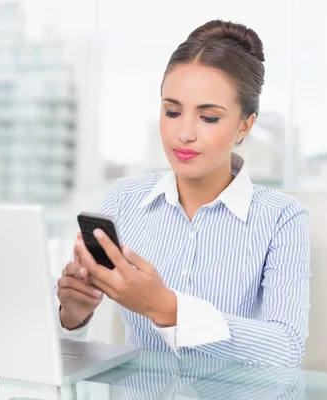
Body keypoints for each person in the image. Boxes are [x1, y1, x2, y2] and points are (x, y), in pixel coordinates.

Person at [56, 19, 310, 367]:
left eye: (208, 118)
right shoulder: (124, 199)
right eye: (172, 112)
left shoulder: (282, 217)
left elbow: (286, 349)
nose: (184, 133)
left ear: (244, 125)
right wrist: (74, 315)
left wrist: (166, 307)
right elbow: (64, 347)